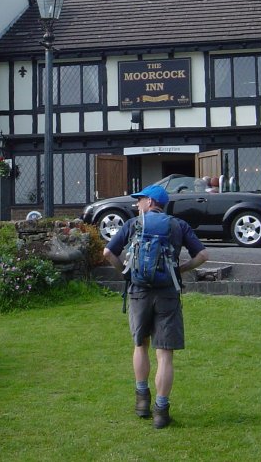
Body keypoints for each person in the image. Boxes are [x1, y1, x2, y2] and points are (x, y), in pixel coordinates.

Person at [103, 183, 209, 429]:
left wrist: (126, 273)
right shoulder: (178, 225)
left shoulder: (133, 224)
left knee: (141, 345)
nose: (137, 204)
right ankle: (161, 410)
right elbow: (203, 256)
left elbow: (108, 252)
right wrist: (179, 270)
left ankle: (142, 402)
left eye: (140, 200)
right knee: (165, 354)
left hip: (139, 292)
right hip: (168, 294)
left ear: (151, 202)